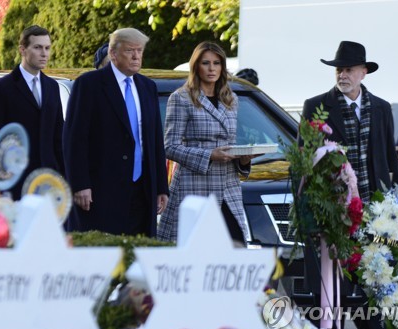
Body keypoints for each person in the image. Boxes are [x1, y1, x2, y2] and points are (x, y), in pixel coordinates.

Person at [301, 41, 398, 329]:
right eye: (338, 69)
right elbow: (304, 163)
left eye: (348, 70)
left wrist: (394, 211)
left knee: (377, 286)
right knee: (334, 293)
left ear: (363, 73)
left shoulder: (382, 108)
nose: (342, 75)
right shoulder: (316, 106)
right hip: (335, 217)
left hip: (374, 215)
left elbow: (389, 161)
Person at [63, 28, 169, 236]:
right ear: (113, 54)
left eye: (139, 51)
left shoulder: (147, 87)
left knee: (138, 255)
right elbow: (75, 139)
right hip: (100, 189)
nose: (136, 56)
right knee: (104, 255)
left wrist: (161, 187)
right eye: (130, 50)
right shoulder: (89, 85)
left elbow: (155, 140)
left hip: (141, 190)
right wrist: (80, 184)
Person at [157, 41, 259, 244]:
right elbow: (169, 146)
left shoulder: (231, 99)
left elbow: (229, 142)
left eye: (216, 63)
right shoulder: (181, 98)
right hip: (194, 186)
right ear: (196, 66)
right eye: (206, 63)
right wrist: (209, 155)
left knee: (235, 249)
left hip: (228, 187)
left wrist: (244, 159)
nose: (212, 68)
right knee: (194, 253)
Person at [0, 25, 65, 202]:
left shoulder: (52, 87)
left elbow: (59, 138)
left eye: (47, 48)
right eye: (37, 47)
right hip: (13, 185)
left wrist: (64, 180)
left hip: (48, 183)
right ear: (22, 50)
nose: (44, 53)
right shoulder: (1, 88)